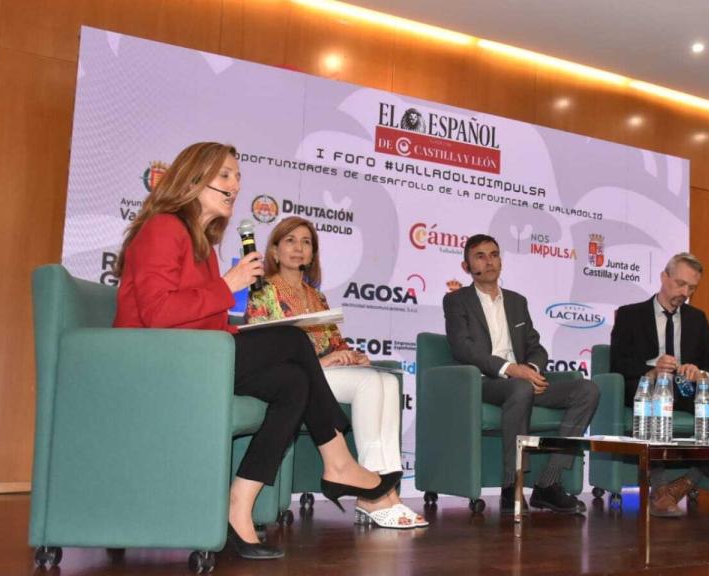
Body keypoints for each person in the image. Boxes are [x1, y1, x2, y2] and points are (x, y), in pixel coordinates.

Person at [112, 142, 401, 559]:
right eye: (225, 175)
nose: (235, 185)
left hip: (195, 355)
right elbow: (158, 314)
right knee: (292, 341)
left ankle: (239, 504)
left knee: (293, 381)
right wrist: (227, 286)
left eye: (237, 176)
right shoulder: (163, 227)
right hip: (157, 362)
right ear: (193, 179)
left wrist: (237, 325)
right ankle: (338, 461)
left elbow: (202, 318)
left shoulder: (199, 243)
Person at [245, 216, 426, 529]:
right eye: (290, 241)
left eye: (306, 242)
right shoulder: (263, 293)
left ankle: (387, 493)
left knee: (383, 379)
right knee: (370, 386)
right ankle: (372, 497)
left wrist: (352, 355)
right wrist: (322, 363)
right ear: (274, 251)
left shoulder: (317, 296)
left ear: (313, 255)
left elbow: (334, 342)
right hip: (298, 378)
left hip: (326, 372)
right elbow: (265, 353)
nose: (298, 248)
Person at [443, 234, 600, 514]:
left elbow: (535, 346)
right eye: (480, 256)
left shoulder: (517, 301)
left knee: (587, 390)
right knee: (520, 387)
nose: (489, 261)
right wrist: (512, 370)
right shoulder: (457, 301)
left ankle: (548, 483)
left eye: (494, 254)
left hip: (523, 382)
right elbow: (464, 350)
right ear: (466, 266)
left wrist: (533, 370)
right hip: (485, 382)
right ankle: (511, 485)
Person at [609, 252, 709, 517]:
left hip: (684, 387)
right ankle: (661, 487)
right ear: (664, 277)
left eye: (692, 288)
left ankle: (685, 483)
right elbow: (617, 365)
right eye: (680, 284)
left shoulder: (697, 319)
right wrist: (652, 371)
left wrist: (699, 372)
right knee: (653, 403)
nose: (685, 292)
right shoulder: (630, 315)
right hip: (647, 387)